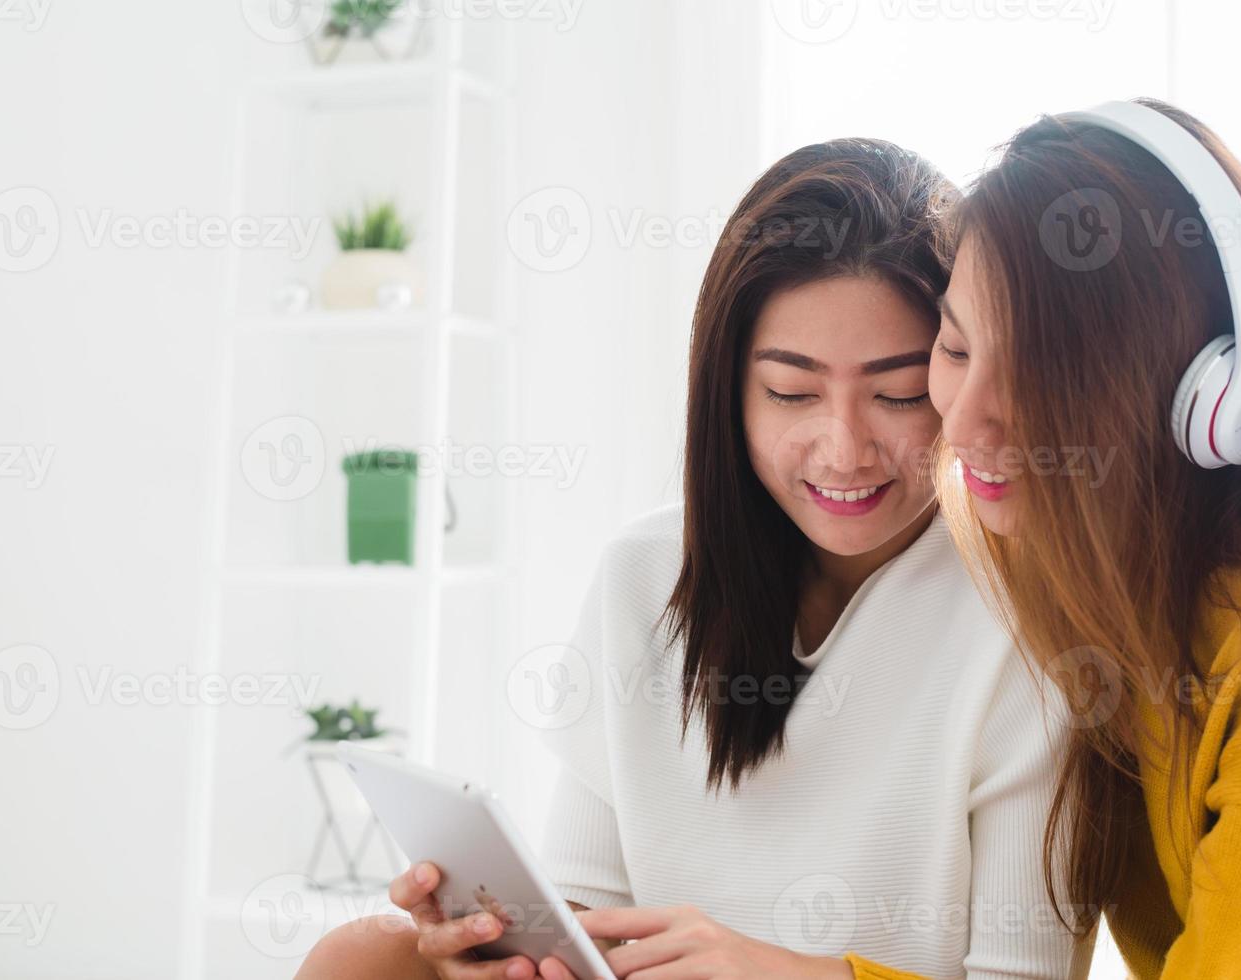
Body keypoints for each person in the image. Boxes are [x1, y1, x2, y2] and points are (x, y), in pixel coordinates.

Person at [295, 138, 1083, 980]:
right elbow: (586, 907)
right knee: (363, 957)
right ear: (728, 391)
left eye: (894, 393)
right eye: (790, 393)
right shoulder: (645, 572)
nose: (845, 449)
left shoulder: (1027, 615)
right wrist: (505, 953)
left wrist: (769, 969)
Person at [927, 97, 1241, 977]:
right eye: (958, 352)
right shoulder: (1098, 594)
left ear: (1212, 400)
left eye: (1038, 375)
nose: (964, 426)